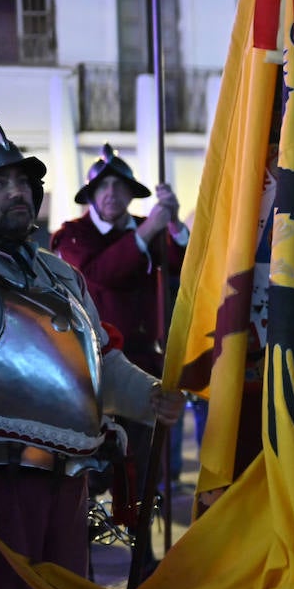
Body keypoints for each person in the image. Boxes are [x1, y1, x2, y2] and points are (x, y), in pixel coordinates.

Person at [0, 119, 184, 589]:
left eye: (22, 181)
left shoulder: (61, 276)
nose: (17, 193)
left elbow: (101, 360)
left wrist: (149, 397)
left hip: (68, 480)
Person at [49, 143, 189, 566]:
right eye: (103, 186)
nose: (111, 193)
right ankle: (83, 561)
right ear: (91, 196)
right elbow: (97, 275)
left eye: (120, 185)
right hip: (86, 372)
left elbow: (187, 263)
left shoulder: (156, 227)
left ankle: (143, 555)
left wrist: (174, 222)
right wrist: (147, 233)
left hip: (144, 364)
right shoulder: (71, 236)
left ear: (132, 193)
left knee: (145, 470)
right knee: (86, 469)